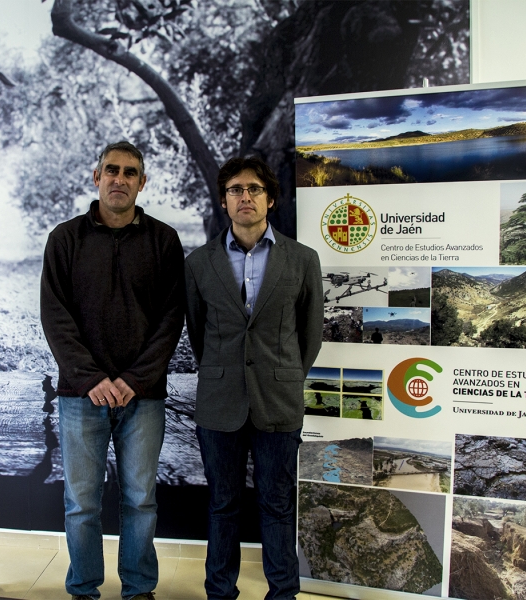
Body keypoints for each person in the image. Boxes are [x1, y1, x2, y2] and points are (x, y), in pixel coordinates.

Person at [40, 141, 185, 600]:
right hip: (80, 397)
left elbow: (171, 319)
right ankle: (83, 589)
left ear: (142, 183)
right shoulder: (65, 239)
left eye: (129, 173)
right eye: (111, 170)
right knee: (81, 504)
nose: (119, 179)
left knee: (140, 501)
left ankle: (139, 589)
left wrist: (133, 380)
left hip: (143, 398)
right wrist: (92, 380)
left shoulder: (164, 240)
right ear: (96, 177)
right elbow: (54, 316)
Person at [184, 156, 324, 600]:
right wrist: (225, 372)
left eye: (255, 189)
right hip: (219, 402)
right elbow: (197, 330)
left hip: (278, 401)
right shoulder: (199, 263)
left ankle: (283, 595)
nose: (246, 197)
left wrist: (285, 376)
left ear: (271, 199)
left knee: (277, 505)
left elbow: (311, 333)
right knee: (222, 505)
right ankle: (220, 593)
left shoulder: (303, 260)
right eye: (236, 190)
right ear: (224, 201)